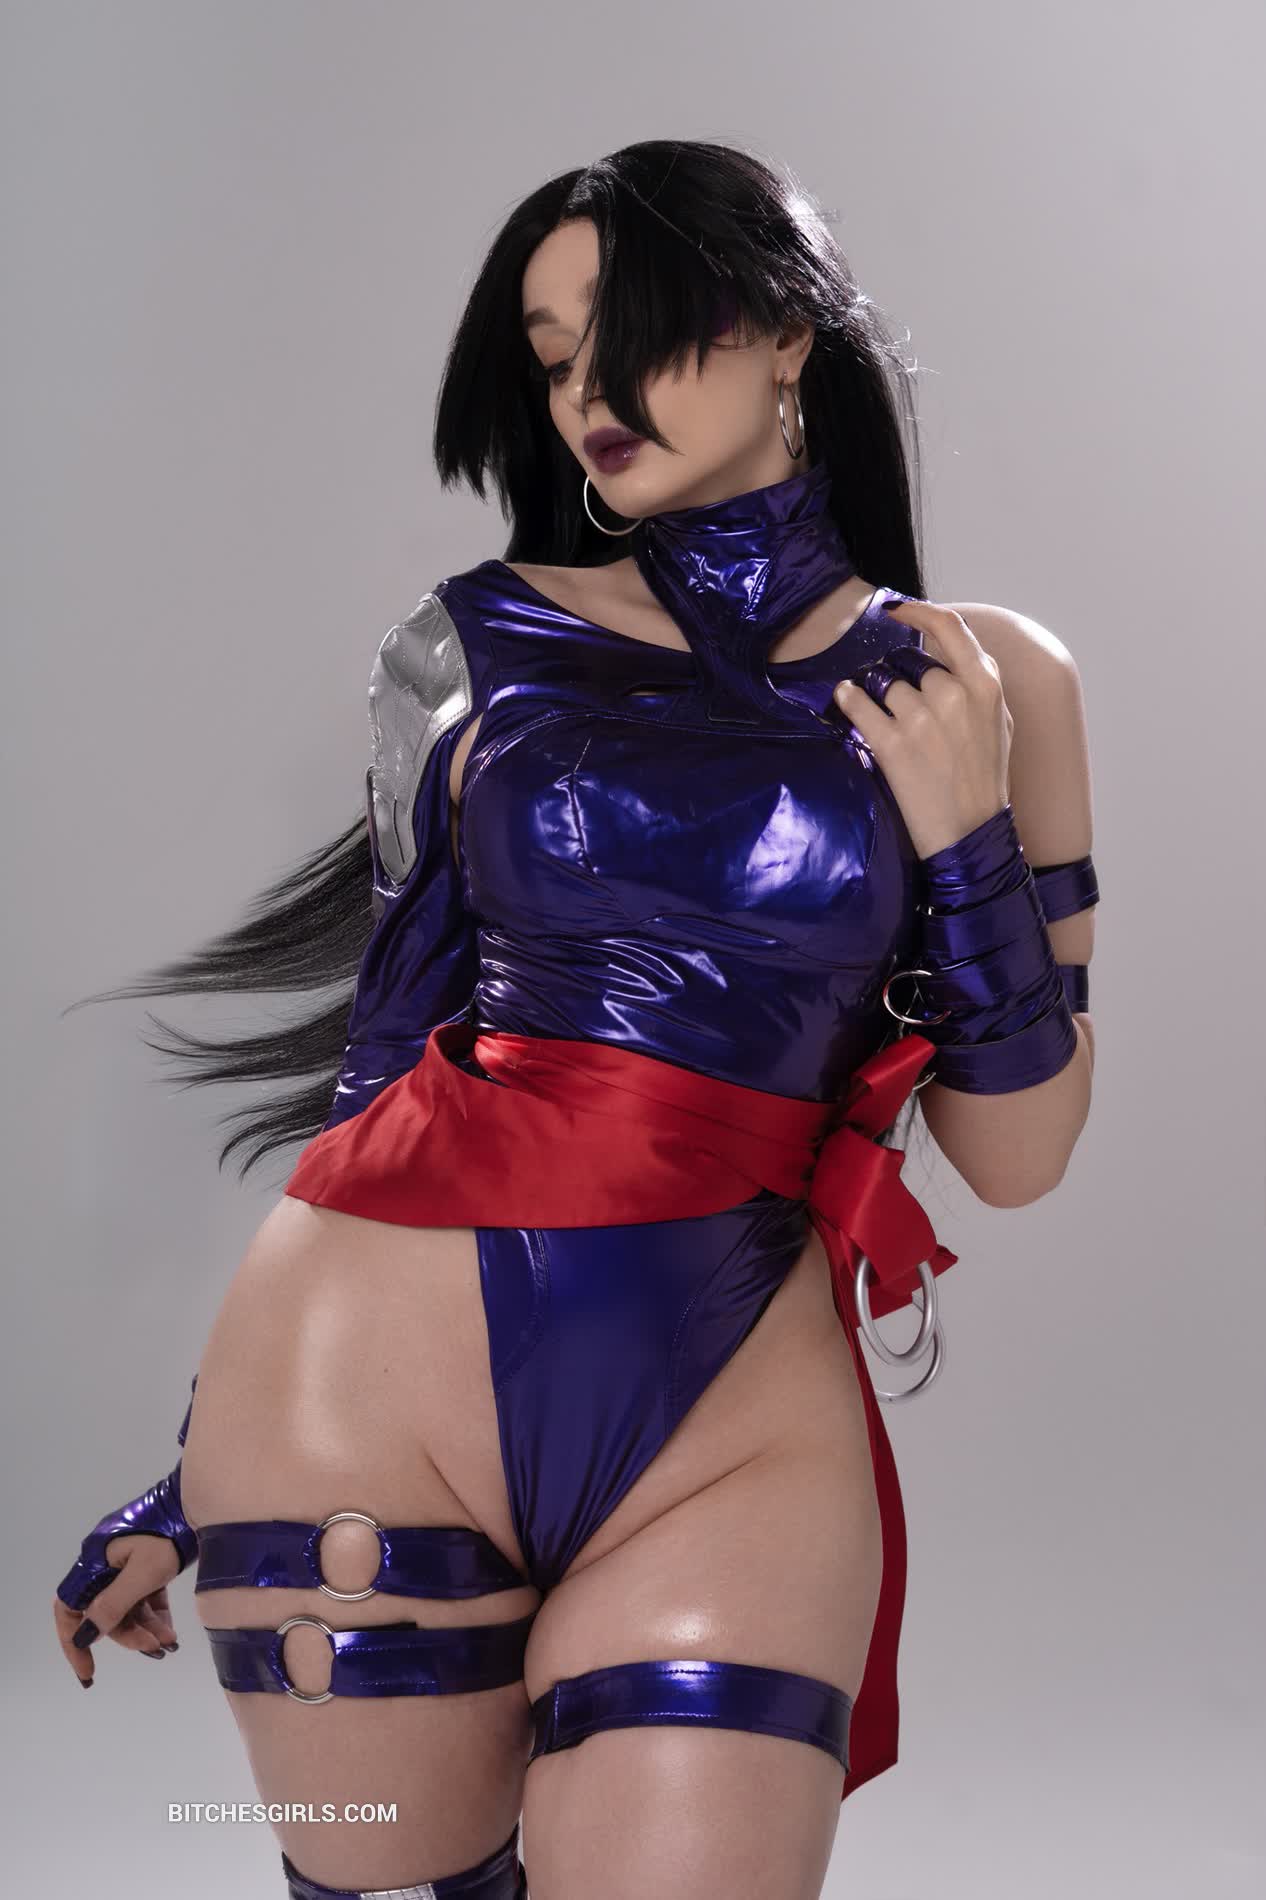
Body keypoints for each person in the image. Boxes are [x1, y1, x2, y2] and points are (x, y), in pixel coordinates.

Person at [52, 139, 1098, 1899]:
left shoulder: (987, 680)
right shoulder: (465, 647)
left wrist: (966, 842)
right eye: (550, 360)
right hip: (353, 1402)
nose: (587, 394)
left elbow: (1019, 1155)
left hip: (728, 1428)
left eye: (631, 330)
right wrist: (184, 1477)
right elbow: (383, 1067)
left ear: (786, 332)